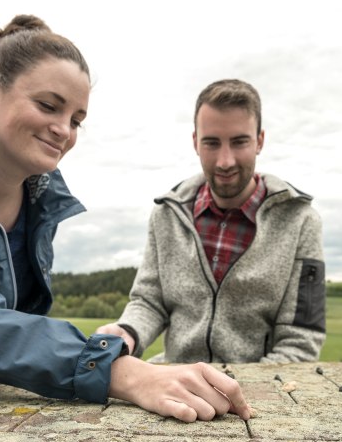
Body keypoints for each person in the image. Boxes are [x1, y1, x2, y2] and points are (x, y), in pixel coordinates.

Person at [0, 16, 251, 431]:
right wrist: (121, 371)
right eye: (48, 105)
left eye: (76, 119)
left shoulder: (39, 202)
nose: (63, 130)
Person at [97, 79, 326, 364]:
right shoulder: (167, 214)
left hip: (257, 395)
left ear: (260, 141)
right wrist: (126, 333)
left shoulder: (301, 221)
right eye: (212, 143)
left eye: (239, 142)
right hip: (176, 381)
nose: (225, 161)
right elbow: (149, 301)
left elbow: (300, 341)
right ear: (195, 142)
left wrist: (234, 390)